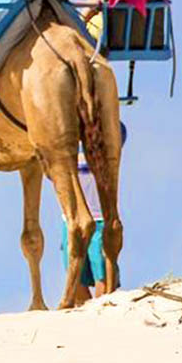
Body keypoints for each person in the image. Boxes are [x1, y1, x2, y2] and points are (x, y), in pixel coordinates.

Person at [52, 123, 127, 305]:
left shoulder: (103, 142)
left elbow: (118, 132)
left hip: (100, 217)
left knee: (102, 274)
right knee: (74, 275)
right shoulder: (65, 142)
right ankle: (86, 312)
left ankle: (99, 309)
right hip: (71, 219)